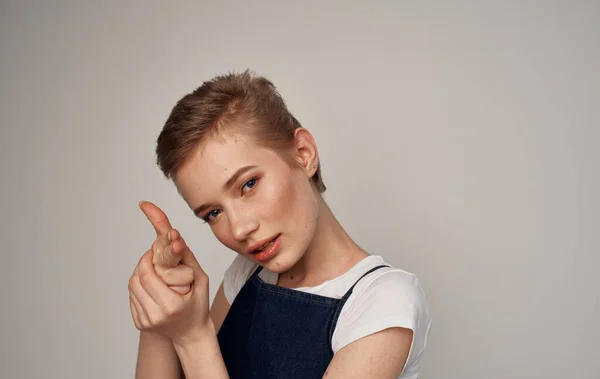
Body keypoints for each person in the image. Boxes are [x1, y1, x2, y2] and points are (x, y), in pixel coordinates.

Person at [128, 70, 431, 379]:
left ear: (303, 154)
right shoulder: (247, 275)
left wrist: (193, 339)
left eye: (248, 185)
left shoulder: (383, 302)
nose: (239, 229)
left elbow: (197, 350)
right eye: (213, 213)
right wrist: (160, 311)